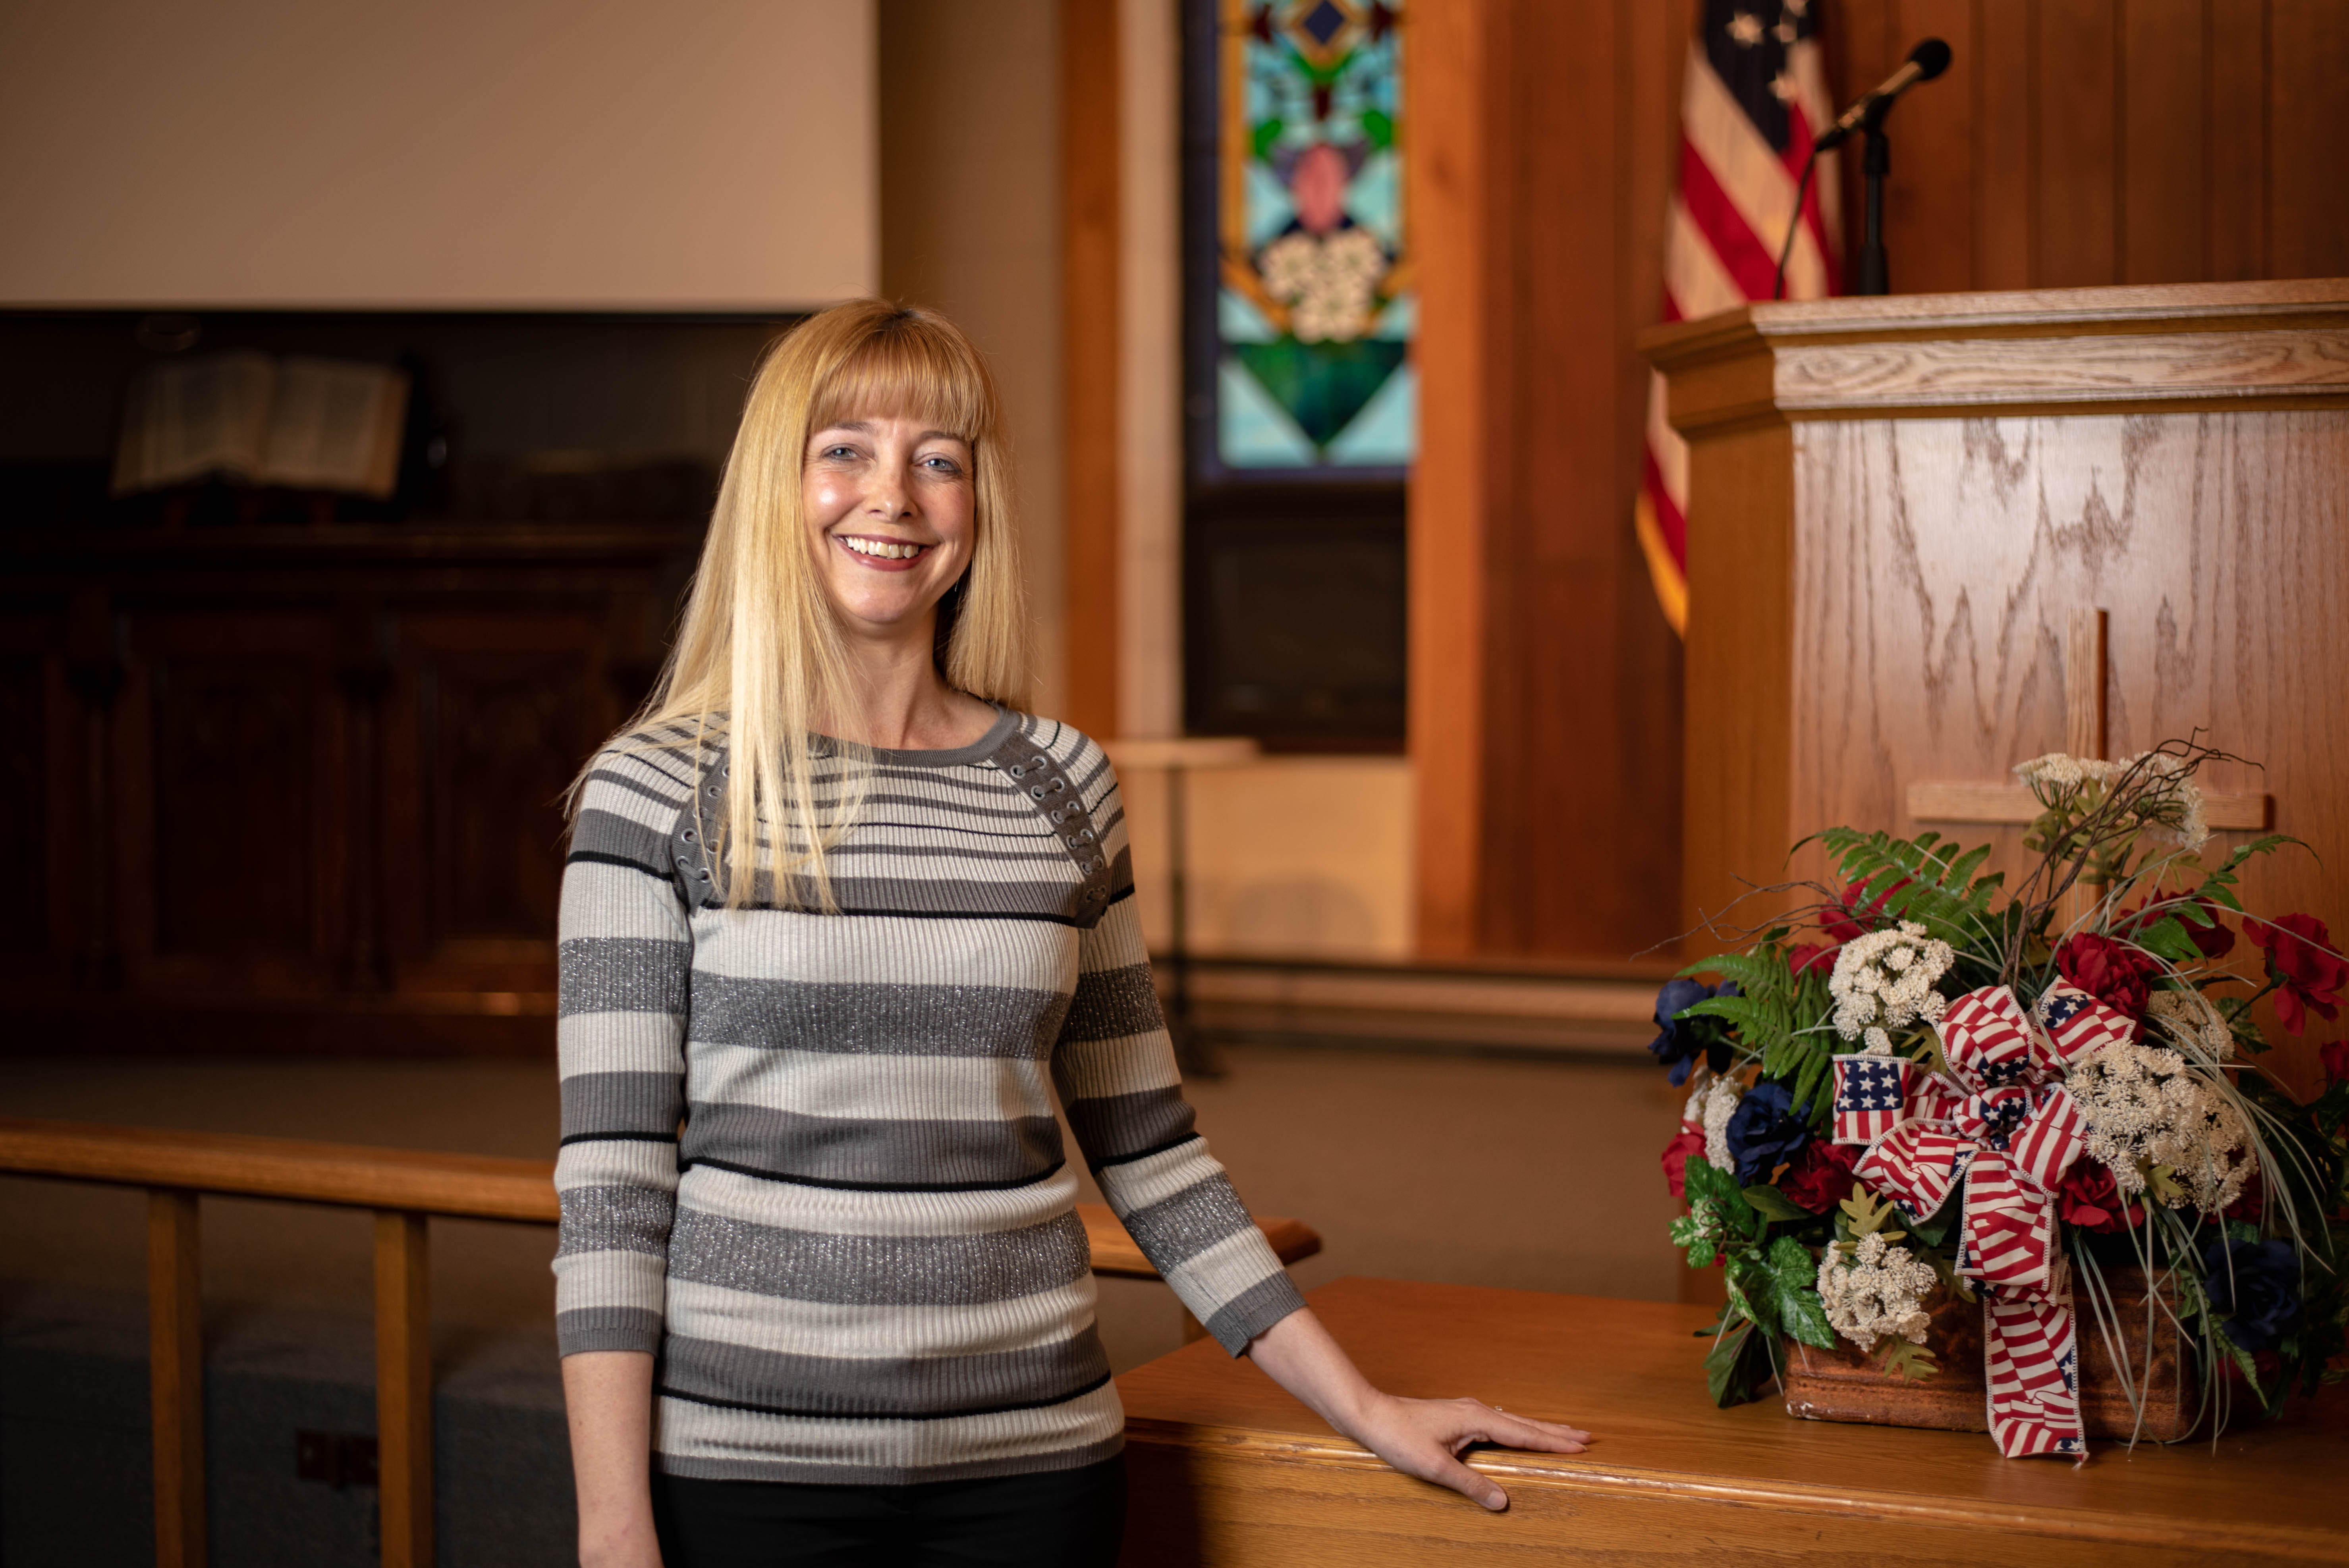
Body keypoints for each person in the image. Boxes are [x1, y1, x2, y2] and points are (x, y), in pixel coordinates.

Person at [555, 300, 1589, 1568]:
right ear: (776, 485)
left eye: (938, 459)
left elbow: (1151, 1153)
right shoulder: (656, 790)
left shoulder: (1061, 783)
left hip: (1033, 1463)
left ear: (976, 503)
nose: (892, 496)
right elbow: (613, 1186)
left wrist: (1363, 1405)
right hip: (746, 1468)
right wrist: (613, 1528)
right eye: (845, 450)